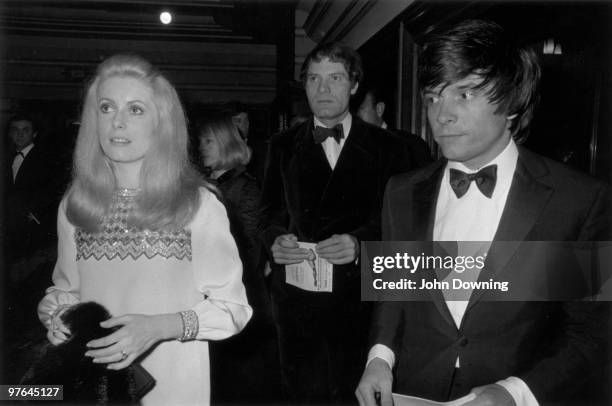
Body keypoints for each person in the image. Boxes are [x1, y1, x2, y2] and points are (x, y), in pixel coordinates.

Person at [356, 19, 611, 406]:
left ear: (511, 103)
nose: (442, 115)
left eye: (465, 93)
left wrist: (516, 392)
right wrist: (380, 358)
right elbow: (394, 294)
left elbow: (591, 334)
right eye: (433, 96)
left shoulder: (578, 199)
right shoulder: (401, 192)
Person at [37, 54, 252, 406]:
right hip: (97, 387)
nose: (117, 122)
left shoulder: (197, 204)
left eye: (135, 110)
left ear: (161, 124)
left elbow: (233, 310)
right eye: (106, 108)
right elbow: (66, 291)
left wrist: (157, 327)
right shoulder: (75, 205)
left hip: (173, 384)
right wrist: (59, 316)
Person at [259, 41, 415, 403]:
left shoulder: (389, 148)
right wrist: (276, 240)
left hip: (360, 304)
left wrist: (360, 244)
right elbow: (268, 214)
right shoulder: (282, 145)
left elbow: (402, 226)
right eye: (314, 79)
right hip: (297, 305)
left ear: (355, 85)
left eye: (335, 78)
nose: (323, 89)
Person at [198, 115, 280, 402]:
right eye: (202, 140)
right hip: (209, 296)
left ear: (224, 143)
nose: (202, 146)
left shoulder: (246, 187)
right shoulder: (203, 186)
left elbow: (249, 249)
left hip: (242, 296)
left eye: (209, 140)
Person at [3, 113, 61, 261]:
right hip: (11, 227)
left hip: (35, 228)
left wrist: (35, 215)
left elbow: (55, 190)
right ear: (10, 133)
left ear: (34, 134)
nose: (20, 135)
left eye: (25, 130)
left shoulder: (47, 157)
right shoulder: (7, 157)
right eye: (15, 130)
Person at [356, 85, 433, 168]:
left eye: (360, 109)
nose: (355, 116)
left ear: (379, 109)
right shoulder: (354, 147)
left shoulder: (411, 145)